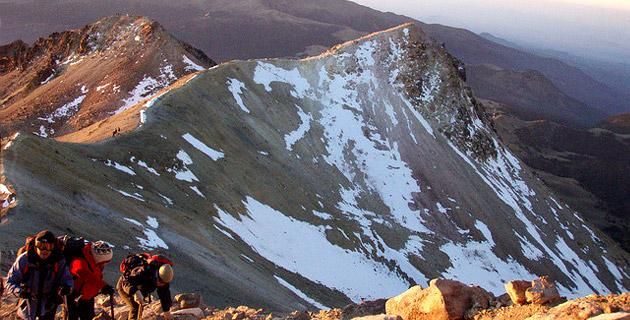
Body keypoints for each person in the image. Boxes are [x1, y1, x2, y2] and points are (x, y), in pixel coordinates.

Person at [6, 230, 73, 320]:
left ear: (53, 247)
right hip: (27, 304)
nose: (45, 250)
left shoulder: (58, 261)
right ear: (35, 245)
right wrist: (20, 291)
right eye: (41, 246)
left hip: (48, 305)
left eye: (49, 246)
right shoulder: (25, 259)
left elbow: (67, 279)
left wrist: (67, 288)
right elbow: (10, 281)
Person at [67, 240, 115, 320]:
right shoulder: (79, 260)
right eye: (104, 262)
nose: (104, 264)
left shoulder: (96, 262)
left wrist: (100, 288)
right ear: (99, 258)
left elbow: (95, 277)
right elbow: (82, 272)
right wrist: (102, 286)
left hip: (88, 297)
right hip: (74, 296)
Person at [117, 253, 174, 320]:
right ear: (157, 275)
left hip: (141, 287)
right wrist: (136, 292)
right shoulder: (142, 271)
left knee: (141, 306)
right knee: (135, 307)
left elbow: (164, 295)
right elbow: (127, 282)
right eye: (160, 282)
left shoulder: (164, 278)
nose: (161, 284)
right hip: (125, 285)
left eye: (163, 283)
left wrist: (166, 312)